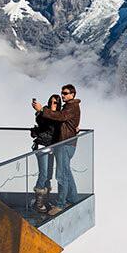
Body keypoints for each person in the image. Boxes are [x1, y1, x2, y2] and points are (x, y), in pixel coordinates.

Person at [33, 84, 81, 216]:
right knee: (66, 172)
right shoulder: (68, 107)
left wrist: (42, 109)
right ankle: (73, 198)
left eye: (65, 93)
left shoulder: (71, 106)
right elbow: (62, 121)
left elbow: (61, 117)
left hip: (65, 145)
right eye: (62, 93)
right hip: (65, 144)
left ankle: (60, 205)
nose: (63, 95)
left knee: (61, 175)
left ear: (72, 94)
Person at [30, 94, 62, 213]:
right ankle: (38, 203)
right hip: (42, 147)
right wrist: (40, 111)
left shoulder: (58, 115)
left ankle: (45, 200)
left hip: (52, 148)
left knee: (48, 175)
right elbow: (42, 122)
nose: (53, 105)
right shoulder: (45, 113)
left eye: (56, 103)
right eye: (52, 102)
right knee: (43, 174)